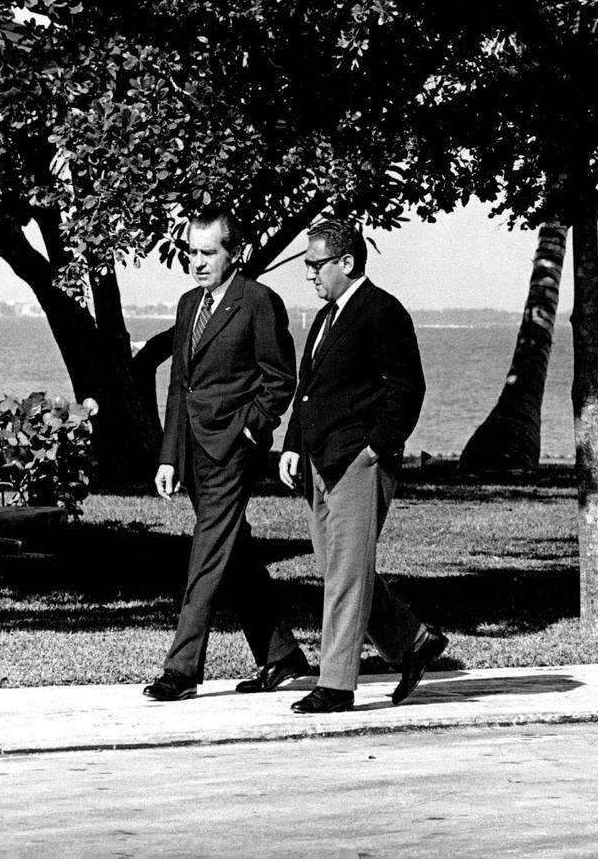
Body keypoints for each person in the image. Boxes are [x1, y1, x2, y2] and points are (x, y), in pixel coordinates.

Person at [279, 218, 448, 714]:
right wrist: (292, 444)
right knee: (338, 569)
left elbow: (407, 388)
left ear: (345, 262)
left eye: (315, 264)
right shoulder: (324, 317)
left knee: (348, 574)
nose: (309, 274)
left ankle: (336, 685)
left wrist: (378, 447)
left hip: (358, 461)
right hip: (319, 461)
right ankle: (413, 641)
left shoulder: (382, 311)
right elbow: (306, 389)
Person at [144, 209, 309, 702]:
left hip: (232, 452)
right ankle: (281, 655)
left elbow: (280, 380)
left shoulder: (258, 301)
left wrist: (250, 432)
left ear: (233, 252)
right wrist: (169, 456)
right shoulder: (187, 304)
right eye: (192, 252)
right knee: (233, 553)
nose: (197, 262)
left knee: (206, 556)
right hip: (192, 451)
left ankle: (182, 669)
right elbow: (179, 384)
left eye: (208, 252)